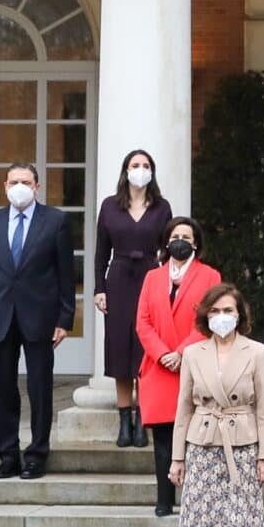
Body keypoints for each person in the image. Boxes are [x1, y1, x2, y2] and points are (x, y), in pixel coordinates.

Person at [171, 283, 264, 527]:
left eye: (228, 311)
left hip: (243, 446)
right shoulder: (193, 353)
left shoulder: (257, 352)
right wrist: (177, 458)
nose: (221, 317)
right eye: (215, 311)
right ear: (205, 316)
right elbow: (183, 407)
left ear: (240, 315)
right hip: (201, 445)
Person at [0, 162, 77, 481]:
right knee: (3, 388)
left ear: (37, 186)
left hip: (41, 315)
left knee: (39, 387)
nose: (19, 186)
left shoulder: (56, 221)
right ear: (5, 186)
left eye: (26, 181)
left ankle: (36, 455)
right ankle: (7, 455)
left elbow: (65, 274)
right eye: (14, 181)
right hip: (1, 315)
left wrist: (65, 317)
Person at [136, 217, 219, 517]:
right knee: (162, 438)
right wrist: (162, 354)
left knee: (195, 436)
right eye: (175, 236)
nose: (180, 240)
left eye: (186, 235)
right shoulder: (152, 278)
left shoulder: (210, 276)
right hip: (159, 368)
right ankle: (164, 498)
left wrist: (182, 352)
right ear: (167, 242)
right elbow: (142, 322)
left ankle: (195, 500)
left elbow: (211, 319)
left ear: (195, 242)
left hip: (193, 365)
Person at [94, 148, 173, 448]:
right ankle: (124, 420)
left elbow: (168, 247)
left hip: (150, 276)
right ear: (125, 170)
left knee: (145, 350)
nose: (140, 170)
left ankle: (143, 419)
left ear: (152, 171)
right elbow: (101, 250)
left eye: (145, 165)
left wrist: (169, 283)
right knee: (119, 349)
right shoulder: (110, 206)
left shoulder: (161, 207)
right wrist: (99, 288)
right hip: (119, 277)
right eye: (134, 165)